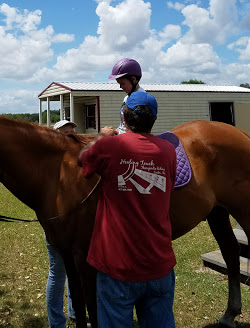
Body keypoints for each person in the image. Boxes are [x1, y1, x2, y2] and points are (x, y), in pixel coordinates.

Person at [80, 91, 177, 328]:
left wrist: (100, 137)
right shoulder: (168, 151)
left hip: (117, 267)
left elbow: (83, 160)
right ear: (154, 119)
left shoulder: (109, 147)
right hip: (159, 266)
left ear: (124, 117)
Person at [45, 120, 78, 327]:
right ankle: (56, 322)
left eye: (73, 133)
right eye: (66, 133)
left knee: (74, 269)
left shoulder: (76, 158)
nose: (71, 136)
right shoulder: (49, 163)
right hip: (56, 226)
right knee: (57, 273)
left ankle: (75, 311)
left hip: (75, 225)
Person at [109, 58, 144, 134]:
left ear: (133, 79)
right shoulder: (127, 98)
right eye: (119, 84)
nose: (121, 87)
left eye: (123, 83)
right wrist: (114, 132)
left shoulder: (141, 101)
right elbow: (123, 125)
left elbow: (136, 130)